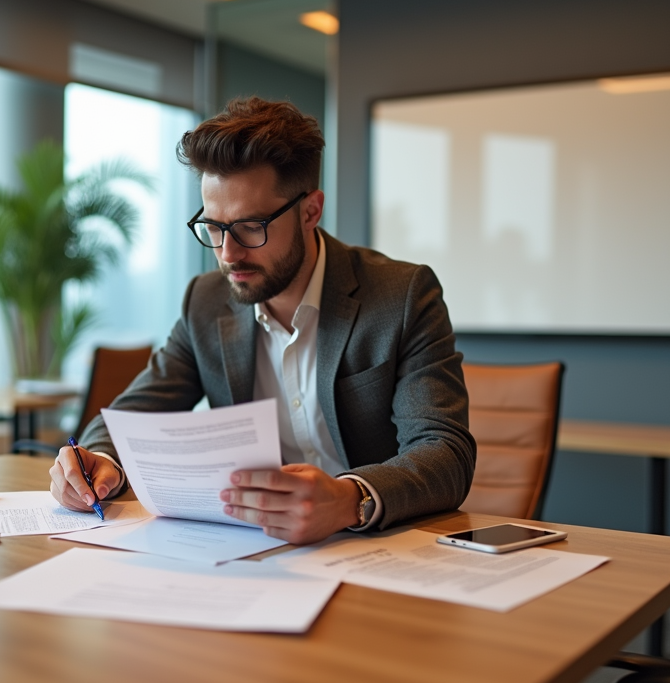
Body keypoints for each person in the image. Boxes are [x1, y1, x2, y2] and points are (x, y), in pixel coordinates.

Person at [50, 97, 475, 545]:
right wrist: (94, 461)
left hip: (376, 547)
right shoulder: (206, 301)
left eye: (251, 227)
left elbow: (445, 452)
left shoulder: (400, 296)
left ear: (310, 210)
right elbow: (128, 417)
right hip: (250, 551)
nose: (228, 254)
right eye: (213, 227)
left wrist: (350, 498)